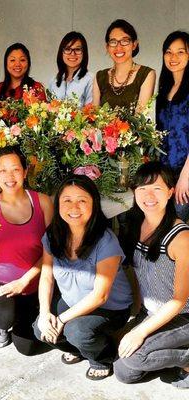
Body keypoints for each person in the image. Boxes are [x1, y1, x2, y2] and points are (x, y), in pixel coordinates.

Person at [33, 174, 132, 380]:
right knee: (39, 328)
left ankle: (103, 357)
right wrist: (45, 313)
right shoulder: (53, 235)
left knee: (76, 331)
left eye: (82, 200)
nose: (74, 207)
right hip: (72, 302)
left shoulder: (106, 241)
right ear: (58, 204)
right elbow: (47, 277)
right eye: (67, 200)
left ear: (94, 204)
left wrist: (61, 320)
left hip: (110, 308)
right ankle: (80, 350)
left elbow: (100, 296)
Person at [113, 162, 189, 388]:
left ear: (170, 192)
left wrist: (141, 332)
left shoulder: (180, 238)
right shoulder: (138, 225)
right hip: (155, 312)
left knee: (135, 356)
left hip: (184, 315)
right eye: (142, 189)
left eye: (157, 188)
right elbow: (140, 278)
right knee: (124, 371)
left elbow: (179, 300)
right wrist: (137, 320)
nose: (149, 195)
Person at [0, 146, 53, 355]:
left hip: (36, 283)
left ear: (25, 172)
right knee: (4, 317)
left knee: (28, 348)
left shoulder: (43, 202)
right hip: (0, 282)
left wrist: (24, 281)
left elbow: (52, 252)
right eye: (3, 170)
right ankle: (1, 324)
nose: (10, 176)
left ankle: (27, 315)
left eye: (15, 169)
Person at [156, 31, 189, 222]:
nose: (173, 57)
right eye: (168, 52)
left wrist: (185, 177)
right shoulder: (163, 91)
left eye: (180, 52)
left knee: (177, 217)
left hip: (185, 171)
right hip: (166, 171)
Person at [93, 19, 155, 111]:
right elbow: (94, 116)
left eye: (125, 41)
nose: (118, 47)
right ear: (107, 47)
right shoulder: (100, 77)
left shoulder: (146, 74)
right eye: (113, 42)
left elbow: (140, 119)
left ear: (134, 44)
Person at [0, 43, 47, 107]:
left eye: (22, 60)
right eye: (12, 60)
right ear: (6, 63)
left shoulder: (37, 87)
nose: (17, 64)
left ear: (28, 63)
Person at [48, 31, 93, 107]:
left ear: (84, 52)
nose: (72, 54)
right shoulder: (53, 81)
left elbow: (91, 112)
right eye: (68, 49)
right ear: (61, 52)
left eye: (77, 49)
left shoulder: (90, 80)